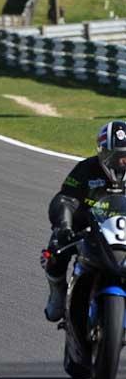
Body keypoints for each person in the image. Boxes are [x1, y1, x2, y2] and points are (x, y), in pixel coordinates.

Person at [42, 119, 126, 322]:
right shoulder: (85, 170)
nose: (122, 161)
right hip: (89, 231)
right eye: (119, 156)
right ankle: (58, 291)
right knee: (55, 247)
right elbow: (66, 198)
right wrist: (64, 225)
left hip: (122, 232)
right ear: (104, 153)